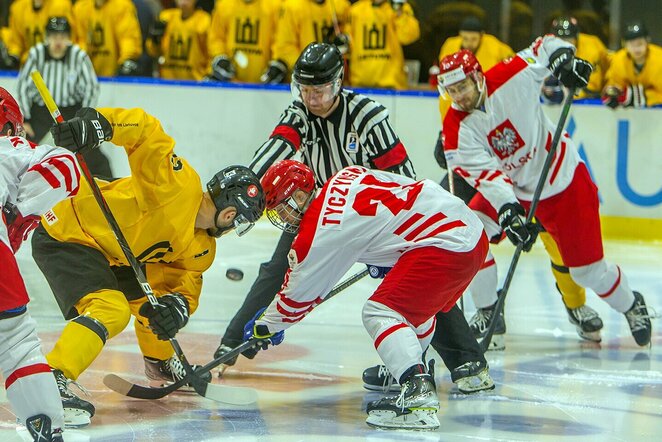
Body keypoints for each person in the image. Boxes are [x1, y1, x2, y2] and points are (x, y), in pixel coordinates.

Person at [213, 42, 494, 396]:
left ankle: (465, 360)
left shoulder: (366, 115)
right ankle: (234, 343)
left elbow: (402, 176)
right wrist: (247, 185)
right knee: (276, 272)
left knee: (420, 281)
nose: (312, 99)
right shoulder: (299, 112)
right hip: (308, 210)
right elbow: (277, 147)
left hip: (371, 218)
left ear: (339, 83)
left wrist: (399, 234)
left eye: (320, 90)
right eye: (305, 89)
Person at [31, 106, 265, 427]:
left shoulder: (201, 247)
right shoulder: (178, 186)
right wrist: (100, 125)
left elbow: (180, 286)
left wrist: (176, 307)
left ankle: (159, 361)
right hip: (70, 230)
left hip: (114, 251)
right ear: (229, 216)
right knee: (110, 309)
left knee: (151, 303)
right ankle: (50, 380)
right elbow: (145, 132)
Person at [437, 37, 651, 348]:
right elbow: (487, 176)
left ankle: (632, 304)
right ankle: (489, 312)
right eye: (452, 91)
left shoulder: (509, 76)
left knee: (588, 273)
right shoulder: (456, 129)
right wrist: (509, 210)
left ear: (478, 77)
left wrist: (563, 60)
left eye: (463, 87)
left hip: (562, 180)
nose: (459, 97)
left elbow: (543, 45)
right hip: (514, 188)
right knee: (470, 232)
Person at [244, 159, 489, 430]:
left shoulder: (319, 228)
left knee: (381, 311)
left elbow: (297, 296)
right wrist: (388, 254)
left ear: (300, 196)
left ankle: (418, 393)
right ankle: (408, 371)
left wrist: (266, 325)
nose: (283, 218)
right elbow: (393, 203)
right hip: (470, 233)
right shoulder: (345, 176)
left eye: (282, 208)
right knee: (413, 312)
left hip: (445, 244)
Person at [0, 87, 79, 441]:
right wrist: (21, 211)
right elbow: (66, 167)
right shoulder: (11, 148)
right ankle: (46, 426)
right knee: (16, 345)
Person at [16, 17, 111, 177]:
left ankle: (105, 185)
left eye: (62, 37)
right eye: (54, 36)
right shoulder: (36, 53)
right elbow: (23, 86)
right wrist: (26, 119)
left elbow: (91, 88)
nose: (58, 42)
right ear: (47, 37)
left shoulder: (78, 56)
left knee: (90, 153)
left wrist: (84, 118)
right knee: (27, 152)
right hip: (41, 114)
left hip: (70, 112)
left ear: (68, 38)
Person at [436, 16, 513, 120]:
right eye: (465, 38)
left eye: (473, 39)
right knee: (445, 101)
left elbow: (512, 66)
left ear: (482, 36)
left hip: (486, 98)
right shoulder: (450, 45)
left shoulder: (495, 46)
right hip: (460, 98)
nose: (469, 43)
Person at [263, 0, 351, 84]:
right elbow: (284, 47)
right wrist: (310, 70)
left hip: (334, 80)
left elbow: (348, 38)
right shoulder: (292, 7)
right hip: (303, 83)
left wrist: (345, 41)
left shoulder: (340, 6)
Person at [346, 0, 420, 89]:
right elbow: (347, 44)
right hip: (360, 83)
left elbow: (408, 37)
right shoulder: (356, 10)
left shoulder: (399, 7)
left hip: (391, 85)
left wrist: (399, 12)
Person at [207, 0, 280, 83]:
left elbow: (279, 40)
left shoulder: (274, 6)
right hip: (229, 83)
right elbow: (216, 37)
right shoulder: (224, 6)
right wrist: (220, 56)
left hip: (264, 85)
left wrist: (278, 61)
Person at [542, 16, 611, 102]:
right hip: (558, 104)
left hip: (595, 101)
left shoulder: (592, 45)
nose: (565, 44)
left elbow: (609, 67)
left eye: (569, 39)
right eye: (561, 40)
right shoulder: (544, 48)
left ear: (576, 37)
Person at [72, 0, 143, 77]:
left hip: (115, 77)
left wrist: (127, 59)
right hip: (88, 76)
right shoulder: (81, 7)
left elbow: (128, 38)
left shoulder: (122, 6)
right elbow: (79, 40)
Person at [146, 0, 211, 81]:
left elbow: (211, 53)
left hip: (195, 82)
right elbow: (153, 52)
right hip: (167, 82)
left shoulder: (204, 20)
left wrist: (209, 74)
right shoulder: (166, 17)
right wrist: (155, 41)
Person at [602, 21, 662, 108]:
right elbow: (613, 86)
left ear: (647, 41)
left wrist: (645, 97)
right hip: (629, 113)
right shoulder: (618, 59)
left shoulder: (659, 58)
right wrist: (613, 93)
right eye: (631, 44)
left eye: (640, 44)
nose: (636, 49)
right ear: (624, 44)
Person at [1, 0, 74, 69]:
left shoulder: (61, 6)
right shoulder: (18, 8)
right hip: (28, 63)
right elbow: (16, 42)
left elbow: (70, 39)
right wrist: (14, 55)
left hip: (58, 63)